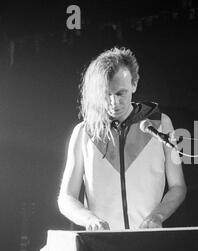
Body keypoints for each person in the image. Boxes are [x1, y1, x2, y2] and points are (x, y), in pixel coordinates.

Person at [58, 47, 186, 231]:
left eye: (120, 93)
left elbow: (178, 186)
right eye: (106, 94)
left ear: (134, 84)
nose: (113, 102)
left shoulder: (161, 124)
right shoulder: (83, 132)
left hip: (149, 242)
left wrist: (157, 216)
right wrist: (89, 219)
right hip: (102, 246)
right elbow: (66, 198)